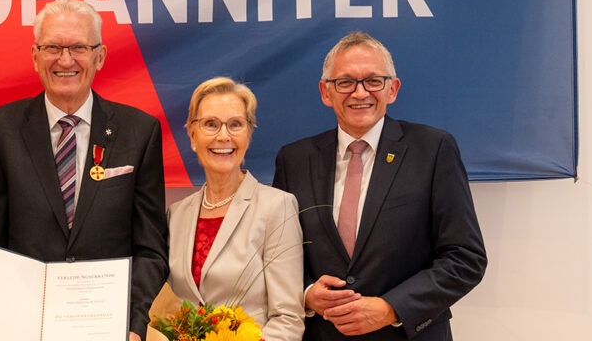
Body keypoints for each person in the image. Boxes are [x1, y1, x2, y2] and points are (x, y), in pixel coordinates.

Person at [0, 0, 168, 341]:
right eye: (52, 47)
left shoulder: (140, 132)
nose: (65, 59)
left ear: (100, 56)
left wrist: (134, 325)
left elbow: (150, 249)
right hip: (24, 327)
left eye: (79, 47)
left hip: (110, 327)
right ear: (35, 56)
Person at [272, 31, 487, 340]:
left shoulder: (433, 149)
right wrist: (305, 294)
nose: (360, 93)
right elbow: (279, 254)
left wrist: (391, 308)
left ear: (392, 88)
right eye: (345, 82)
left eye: (373, 81)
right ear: (325, 92)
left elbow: (465, 257)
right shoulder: (293, 159)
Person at [166, 77, 305, 340]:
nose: (223, 136)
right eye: (210, 124)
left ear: (248, 135)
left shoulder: (277, 207)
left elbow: (288, 319)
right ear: (192, 135)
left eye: (235, 124)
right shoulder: (176, 214)